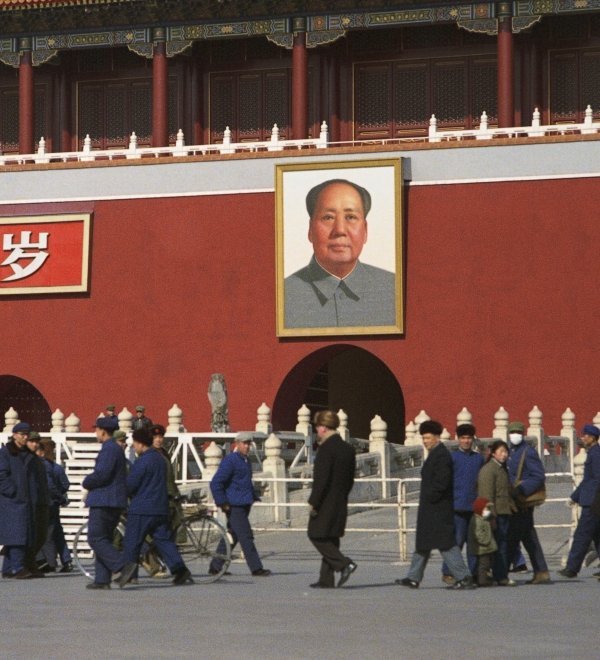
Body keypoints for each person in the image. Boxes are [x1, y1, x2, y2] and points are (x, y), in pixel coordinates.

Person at [284, 179, 396, 328]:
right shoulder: (283, 295)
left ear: (365, 230)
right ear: (310, 230)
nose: (340, 230)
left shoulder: (394, 290)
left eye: (350, 217)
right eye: (328, 217)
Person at [396, 420, 475, 590]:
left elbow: (442, 482)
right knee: (422, 544)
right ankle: (413, 577)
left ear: (437, 437)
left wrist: (431, 497)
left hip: (438, 509)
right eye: (423, 438)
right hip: (430, 509)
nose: (425, 441)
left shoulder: (442, 456)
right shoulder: (435, 454)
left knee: (446, 544)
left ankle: (464, 576)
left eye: (428, 438)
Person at [117, 428, 192, 588]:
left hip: (142, 508)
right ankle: (180, 570)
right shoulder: (160, 459)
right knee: (164, 540)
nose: (134, 447)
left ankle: (129, 573)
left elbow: (131, 484)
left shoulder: (142, 461)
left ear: (139, 443)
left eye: (134, 444)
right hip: (160, 507)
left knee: (132, 541)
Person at [307, 410, 357, 589]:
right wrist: (342, 494)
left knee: (315, 534)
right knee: (331, 537)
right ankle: (326, 579)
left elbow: (322, 480)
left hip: (325, 502)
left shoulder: (326, 450)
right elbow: (351, 478)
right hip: (340, 499)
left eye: (317, 427)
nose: (317, 431)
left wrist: (314, 502)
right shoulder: (348, 449)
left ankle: (345, 564)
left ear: (323, 428)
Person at [209, 432, 271, 577]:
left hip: (244, 503)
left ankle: (215, 566)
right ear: (236, 444)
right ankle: (256, 567)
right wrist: (222, 502)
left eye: (249, 444)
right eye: (245, 443)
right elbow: (216, 482)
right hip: (234, 505)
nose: (247, 446)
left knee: (233, 535)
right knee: (246, 535)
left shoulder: (246, 460)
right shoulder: (231, 460)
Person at [81, 416, 128, 590]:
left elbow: (102, 475)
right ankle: (102, 579)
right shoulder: (116, 449)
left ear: (102, 431)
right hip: (114, 501)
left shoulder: (109, 449)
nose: (95, 433)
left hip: (104, 501)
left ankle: (122, 564)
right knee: (105, 538)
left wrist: (87, 481)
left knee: (95, 538)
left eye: (96, 430)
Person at [505, 421, 551, 585]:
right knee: (527, 536)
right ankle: (541, 571)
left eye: (518, 432)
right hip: (513, 500)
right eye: (512, 432)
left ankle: (501, 572)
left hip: (523, 502)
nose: (515, 435)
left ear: (522, 434)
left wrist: (522, 488)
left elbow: (538, 476)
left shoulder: (528, 451)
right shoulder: (511, 451)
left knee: (512, 536)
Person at [0, 422, 47, 579]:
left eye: (26, 434)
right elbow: (1, 475)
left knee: (24, 534)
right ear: (14, 435)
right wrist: (13, 491)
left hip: (28, 500)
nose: (25, 437)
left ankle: (8, 568)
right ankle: (18, 567)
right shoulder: (6, 452)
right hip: (12, 501)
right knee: (17, 535)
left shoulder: (28, 454)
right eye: (22, 434)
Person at [441, 423, 484, 585]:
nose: (466, 441)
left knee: (474, 543)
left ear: (473, 439)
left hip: (474, 507)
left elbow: (482, 483)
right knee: (457, 541)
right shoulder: (452, 458)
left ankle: (472, 573)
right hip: (456, 507)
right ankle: (448, 571)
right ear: (457, 439)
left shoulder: (478, 458)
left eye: (469, 438)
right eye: (463, 438)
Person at [558, 424, 600, 578]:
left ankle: (572, 568)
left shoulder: (595, 455)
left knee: (582, 535)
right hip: (593, 500)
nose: (583, 438)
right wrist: (574, 497)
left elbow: (593, 480)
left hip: (593, 502)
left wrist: (585, 498)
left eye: (586, 436)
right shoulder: (594, 453)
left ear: (592, 438)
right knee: (597, 536)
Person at [477, 439, 516, 586]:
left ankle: (499, 574)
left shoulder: (501, 468)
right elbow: (486, 496)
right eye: (501, 452)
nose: (504, 455)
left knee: (502, 545)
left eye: (506, 452)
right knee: (497, 547)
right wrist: (490, 516)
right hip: (495, 515)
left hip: (504, 512)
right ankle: (499, 576)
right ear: (493, 453)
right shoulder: (489, 470)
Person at [36, 437, 73, 573]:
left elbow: (49, 486)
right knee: (57, 533)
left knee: (48, 534)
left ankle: (50, 562)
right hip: (55, 503)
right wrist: (61, 496)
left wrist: (57, 496)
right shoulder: (56, 467)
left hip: (46, 503)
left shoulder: (42, 465)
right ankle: (66, 560)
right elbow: (65, 484)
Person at [467, 496, 497, 586]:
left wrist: (492, 519)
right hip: (482, 547)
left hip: (486, 547)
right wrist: (486, 541)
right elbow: (478, 534)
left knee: (487, 564)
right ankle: (483, 580)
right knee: (484, 565)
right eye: (486, 509)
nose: (488, 511)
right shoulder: (477, 520)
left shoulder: (486, 518)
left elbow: (494, 527)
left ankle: (481, 577)